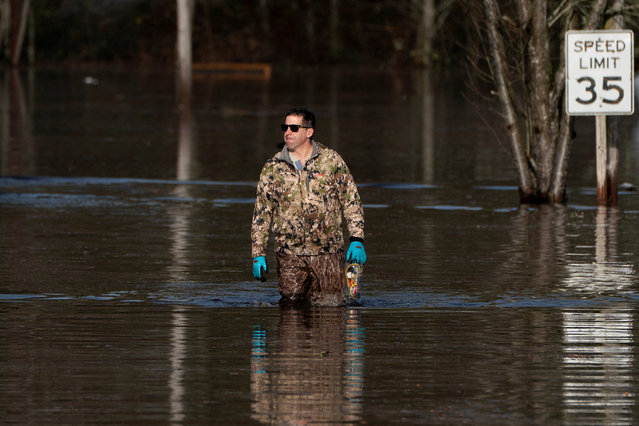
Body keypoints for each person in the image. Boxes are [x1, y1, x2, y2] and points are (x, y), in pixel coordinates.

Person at [251, 107, 366, 306]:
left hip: (327, 252)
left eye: (294, 128)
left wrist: (357, 239)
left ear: (309, 132)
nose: (287, 132)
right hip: (289, 255)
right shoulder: (273, 167)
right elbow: (262, 212)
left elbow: (351, 200)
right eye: (285, 127)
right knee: (291, 309)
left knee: (331, 309)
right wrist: (258, 254)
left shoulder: (331, 161)